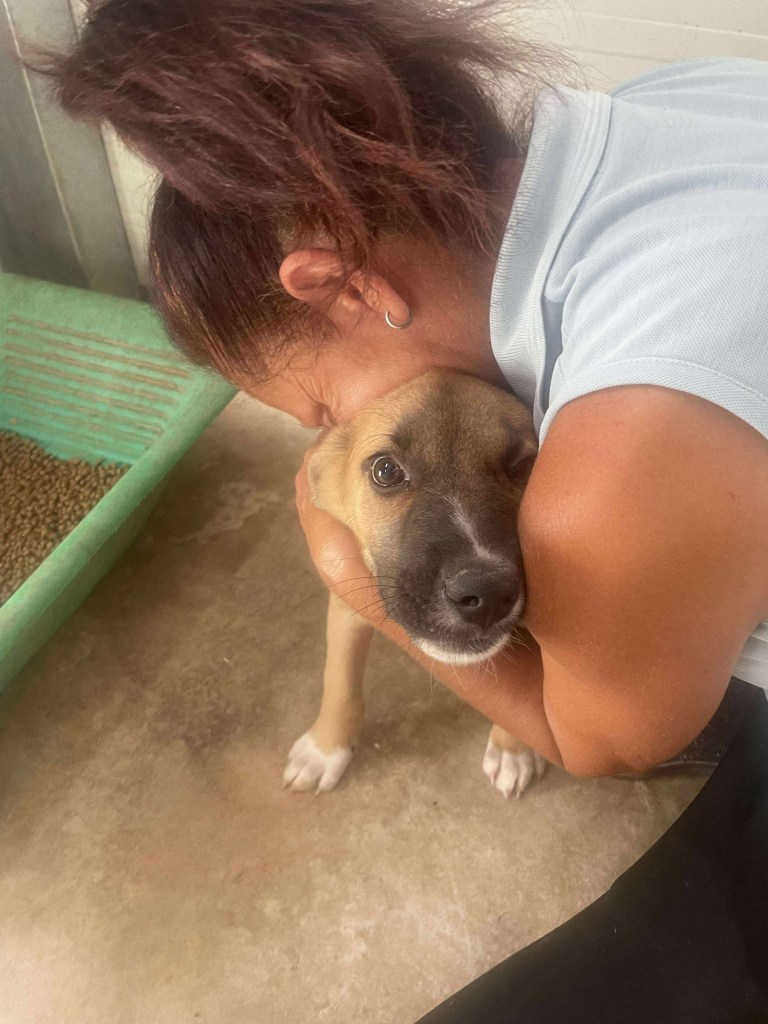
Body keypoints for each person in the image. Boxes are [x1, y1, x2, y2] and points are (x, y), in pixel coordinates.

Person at [43, 0, 768, 780]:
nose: (332, 435)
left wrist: (340, 564)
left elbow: (601, 745)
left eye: (327, 408)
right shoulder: (669, 100)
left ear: (351, 289)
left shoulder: (623, 454)